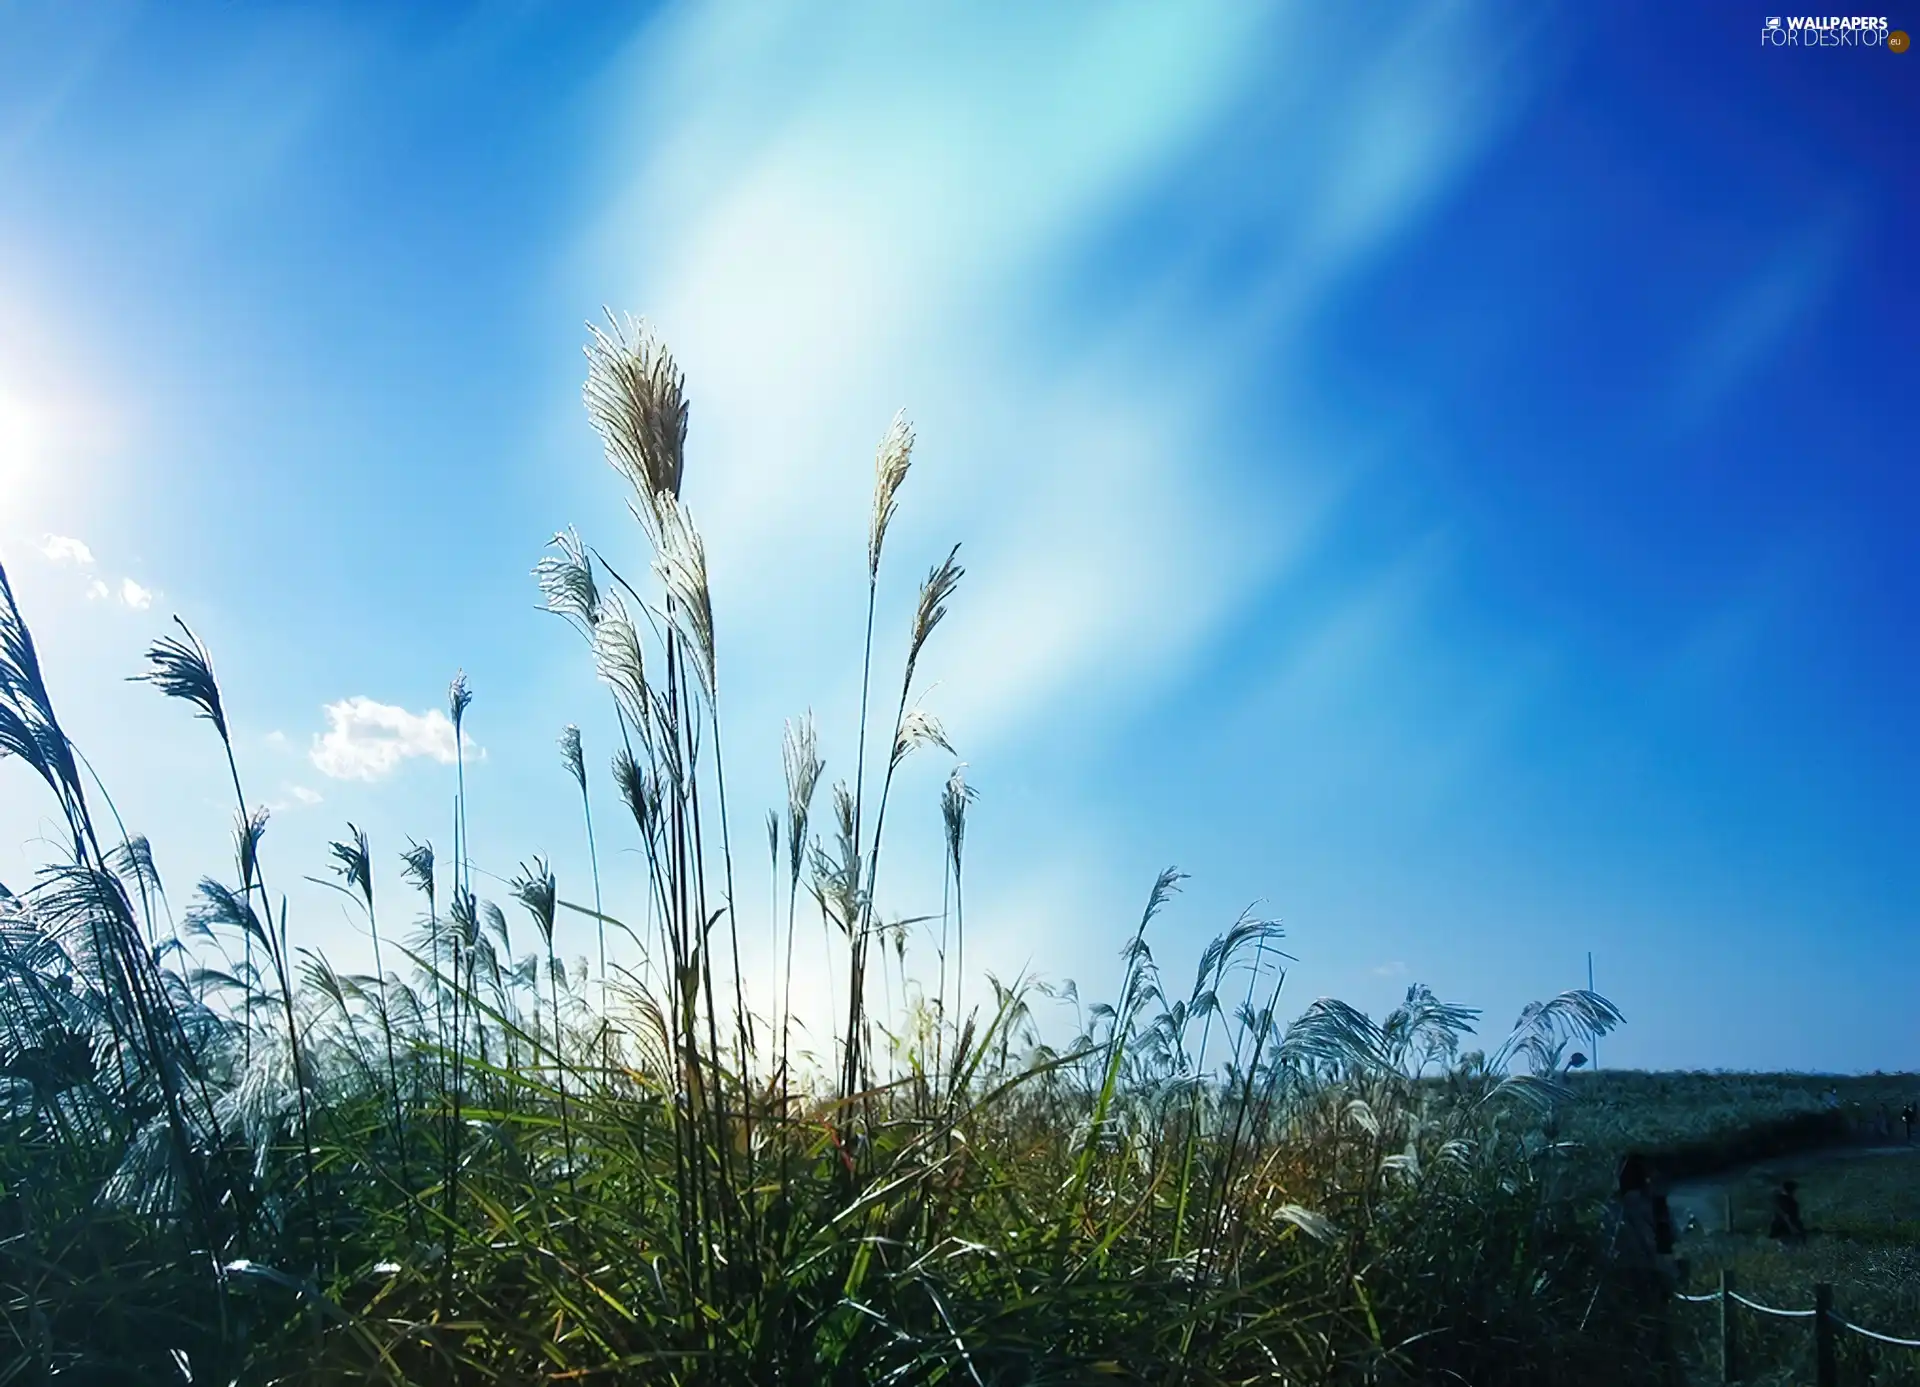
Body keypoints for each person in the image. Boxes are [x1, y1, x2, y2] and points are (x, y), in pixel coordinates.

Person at [1768, 1179, 1807, 1244]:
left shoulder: (1778, 1200)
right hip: (1787, 1229)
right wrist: (1794, 1228)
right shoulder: (1792, 1203)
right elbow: (1789, 1217)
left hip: (1777, 1228)